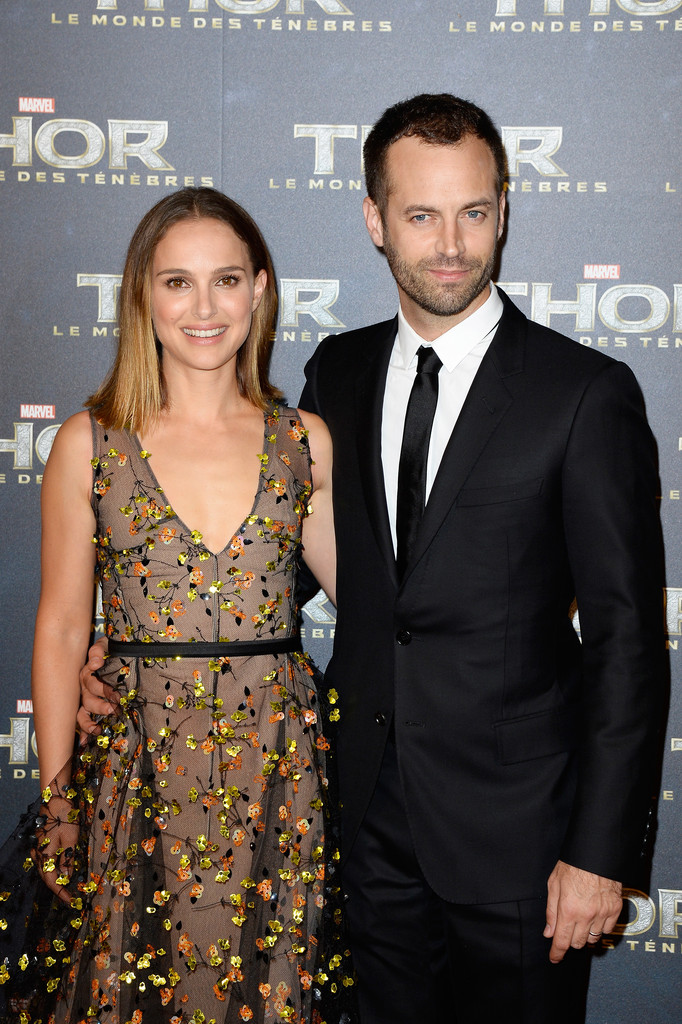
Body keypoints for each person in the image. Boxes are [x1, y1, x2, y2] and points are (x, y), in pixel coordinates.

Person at [80, 96, 666, 1023]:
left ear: (504, 214)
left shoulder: (584, 392)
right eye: (421, 215)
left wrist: (598, 856)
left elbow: (628, 641)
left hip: (520, 839)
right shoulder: (337, 375)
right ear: (375, 221)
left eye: (474, 212)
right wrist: (136, 654)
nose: (451, 244)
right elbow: (275, 567)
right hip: (356, 824)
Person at [0, 186, 354, 1024]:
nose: (204, 308)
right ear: (142, 296)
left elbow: (376, 607)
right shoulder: (89, 442)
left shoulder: (303, 441)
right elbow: (61, 628)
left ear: (259, 291)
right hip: (138, 767)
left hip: (279, 773)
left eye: (225, 280)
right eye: (177, 282)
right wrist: (59, 798)